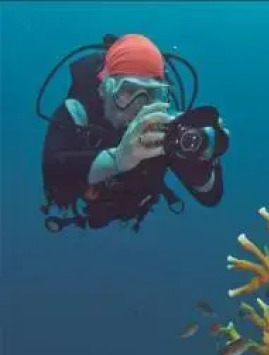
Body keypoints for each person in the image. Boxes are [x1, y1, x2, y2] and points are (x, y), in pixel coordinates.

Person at [39, 33, 230, 232]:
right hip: (90, 204)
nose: (139, 106)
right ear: (105, 89)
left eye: (153, 93)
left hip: (134, 205)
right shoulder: (79, 110)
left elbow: (210, 197)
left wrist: (202, 159)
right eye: (129, 91)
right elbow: (52, 169)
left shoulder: (163, 123)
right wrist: (117, 160)